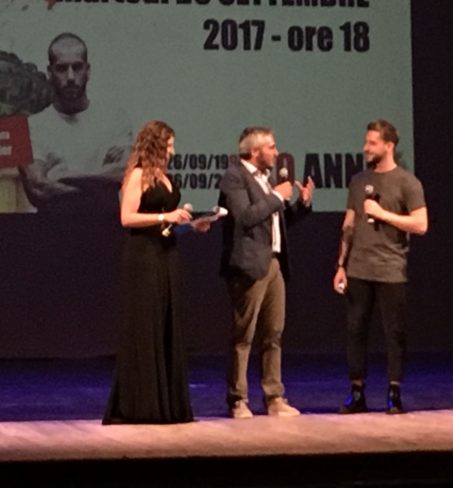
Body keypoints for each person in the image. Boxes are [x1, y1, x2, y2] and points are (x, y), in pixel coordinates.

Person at [103, 120, 209, 425]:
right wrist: (166, 216)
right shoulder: (138, 175)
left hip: (166, 255)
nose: (173, 151)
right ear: (155, 145)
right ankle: (142, 405)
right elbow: (127, 218)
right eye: (169, 145)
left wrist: (191, 225)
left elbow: (167, 225)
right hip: (143, 258)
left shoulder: (164, 177)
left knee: (166, 324)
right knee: (146, 325)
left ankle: (168, 405)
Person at [333, 119, 428, 415]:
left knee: (394, 333)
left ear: (389, 146)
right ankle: (357, 393)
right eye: (366, 142)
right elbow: (349, 225)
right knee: (355, 331)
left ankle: (394, 393)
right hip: (358, 268)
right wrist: (341, 264)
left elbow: (421, 224)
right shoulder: (358, 181)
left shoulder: (407, 182)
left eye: (372, 143)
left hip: (390, 268)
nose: (366, 148)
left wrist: (383, 214)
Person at [218, 126, 314, 419]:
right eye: (271, 147)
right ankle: (238, 399)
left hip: (273, 263)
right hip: (248, 265)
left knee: (274, 332)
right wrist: (276, 196)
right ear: (255, 151)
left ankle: (274, 397)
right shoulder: (234, 177)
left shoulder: (265, 180)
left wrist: (302, 204)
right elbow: (245, 217)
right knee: (244, 334)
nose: (276, 152)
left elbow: (276, 221)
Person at [19, 32, 131, 213]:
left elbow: (123, 173)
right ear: (50, 72)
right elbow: (38, 188)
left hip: (102, 226)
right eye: (62, 68)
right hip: (53, 227)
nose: (70, 76)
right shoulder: (29, 128)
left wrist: (62, 175)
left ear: (88, 70)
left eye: (77, 67)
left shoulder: (115, 119)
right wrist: (100, 181)